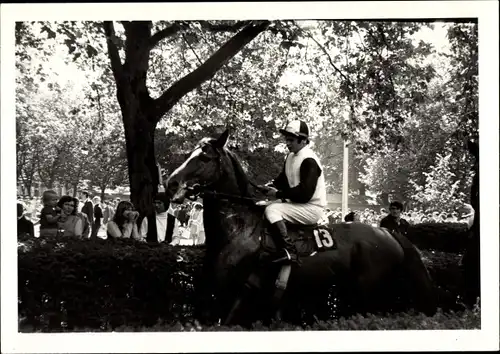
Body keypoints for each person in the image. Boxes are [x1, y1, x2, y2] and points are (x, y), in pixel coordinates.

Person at [258, 120, 327, 263]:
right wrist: (268, 186)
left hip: (311, 208)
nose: (287, 143)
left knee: (272, 210)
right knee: (261, 205)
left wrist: (277, 194)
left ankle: (289, 251)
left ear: (303, 140)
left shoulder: (309, 159)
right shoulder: (290, 156)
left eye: (291, 140)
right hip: (298, 203)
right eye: (287, 140)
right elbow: (282, 180)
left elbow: (305, 194)